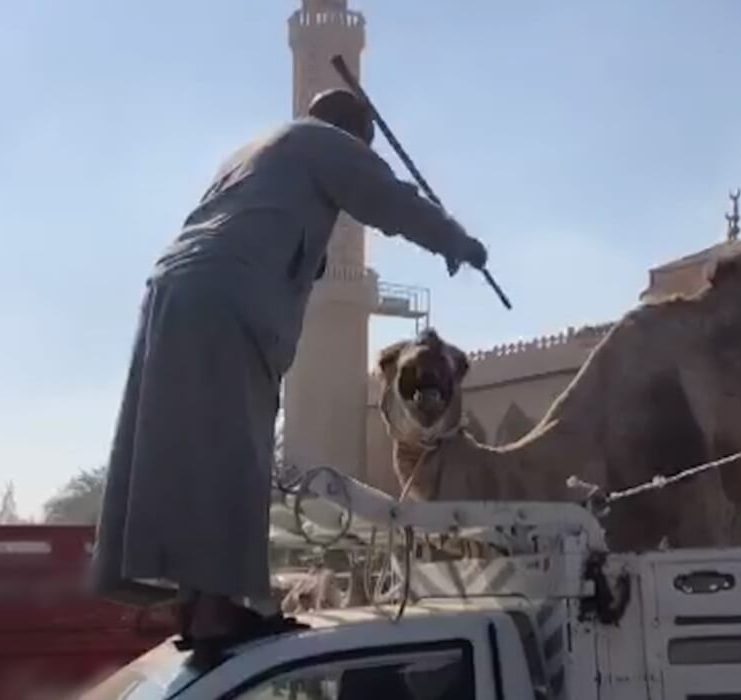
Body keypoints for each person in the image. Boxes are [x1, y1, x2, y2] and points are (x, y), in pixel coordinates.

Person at [90, 88, 488, 654]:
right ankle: (218, 614)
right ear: (356, 136)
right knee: (234, 447)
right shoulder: (325, 143)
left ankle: (197, 605)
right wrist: (458, 242)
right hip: (228, 297)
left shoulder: (255, 153)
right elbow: (388, 198)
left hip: (173, 290)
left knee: (181, 446)